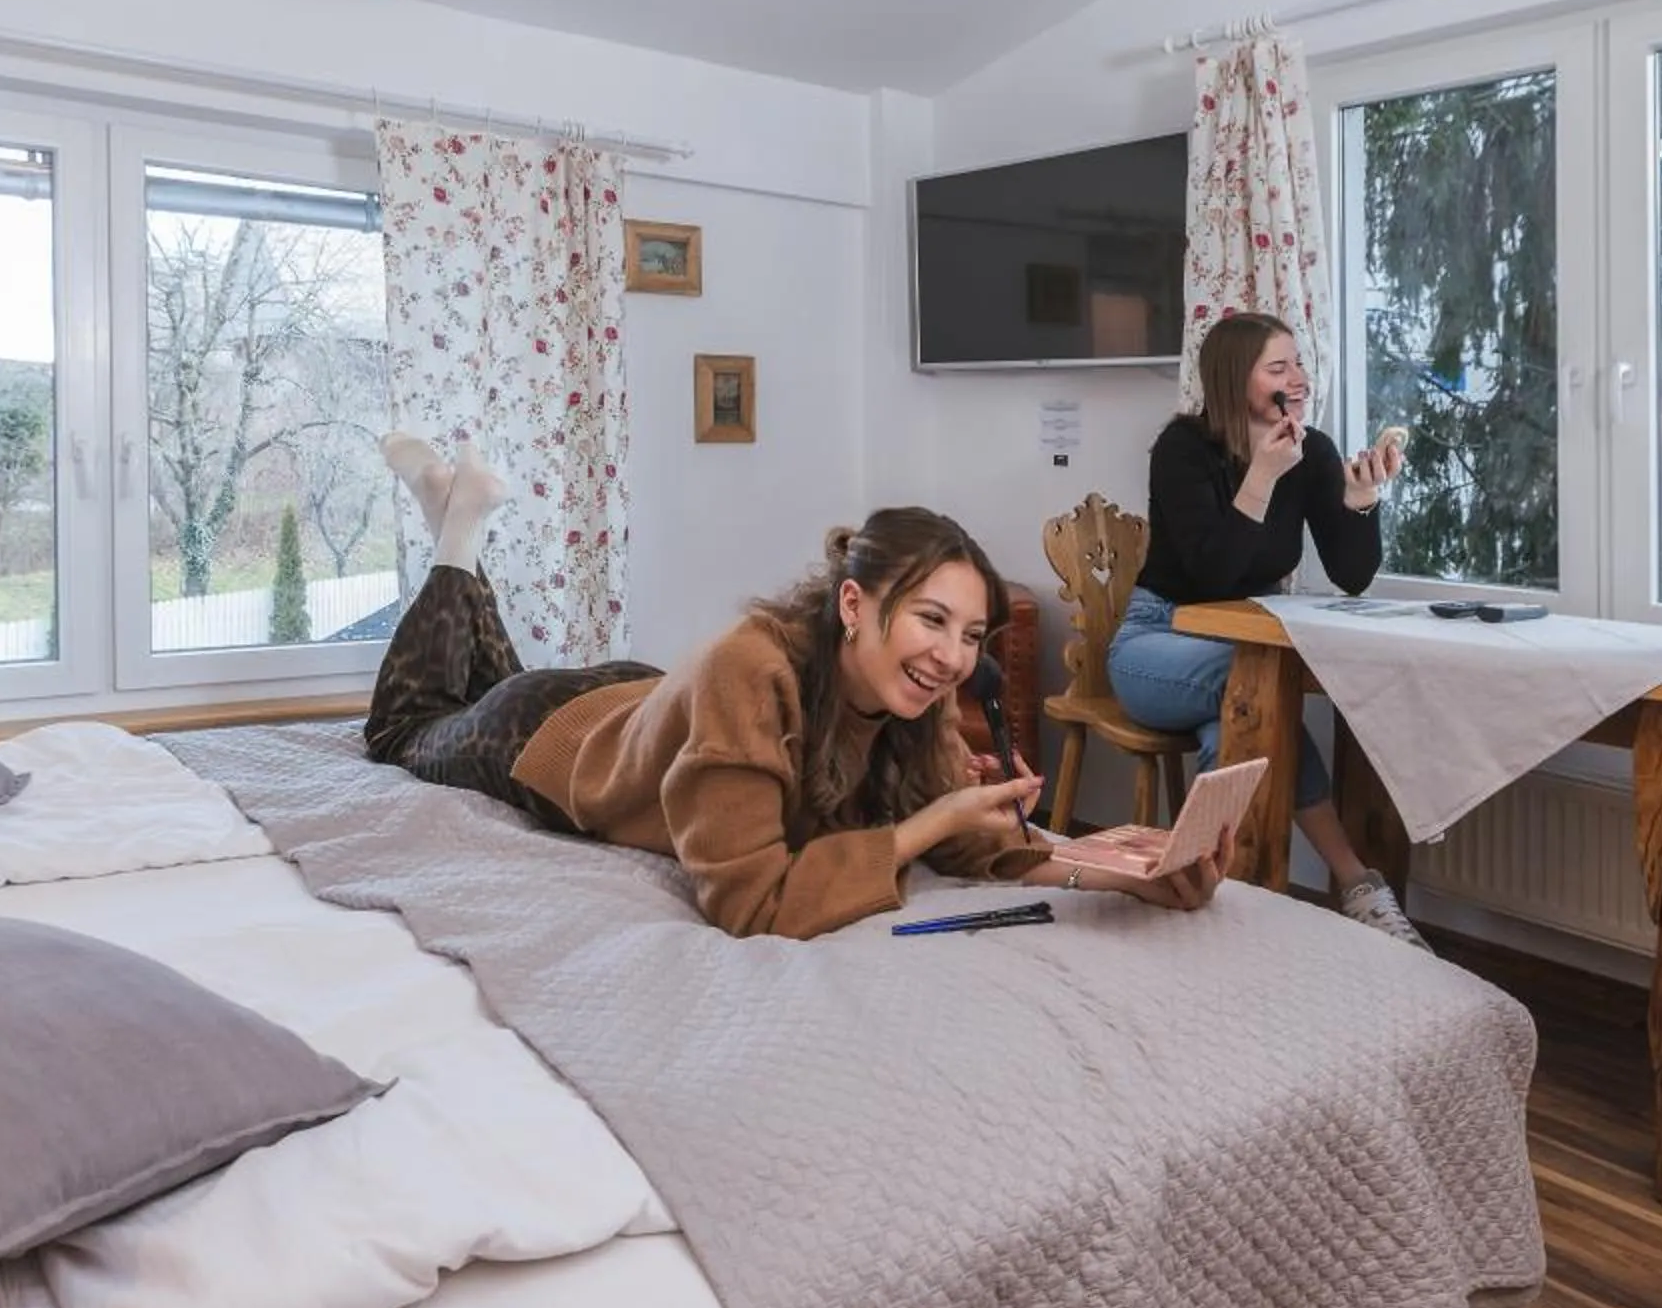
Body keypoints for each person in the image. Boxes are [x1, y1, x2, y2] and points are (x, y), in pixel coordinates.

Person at [365, 436, 1230, 941]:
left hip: (649, 699)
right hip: (554, 732)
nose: (952, 658)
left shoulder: (914, 691)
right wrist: (927, 824)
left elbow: (965, 842)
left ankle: (453, 522)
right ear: (854, 605)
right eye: (931, 620)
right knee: (407, 727)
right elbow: (751, 901)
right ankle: (457, 533)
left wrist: (1115, 874)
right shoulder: (753, 667)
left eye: (972, 637)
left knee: (478, 680)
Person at [1105, 313, 1427, 950]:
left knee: (1235, 723)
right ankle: (1357, 883)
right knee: (1256, 687)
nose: (1298, 379)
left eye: (1298, 363)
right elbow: (1212, 571)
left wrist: (1361, 503)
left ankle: (1216, 898)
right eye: (1278, 368)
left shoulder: (1313, 452)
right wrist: (1260, 478)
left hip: (1243, 648)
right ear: (1235, 378)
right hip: (1155, 639)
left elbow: (1352, 575)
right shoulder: (1183, 449)